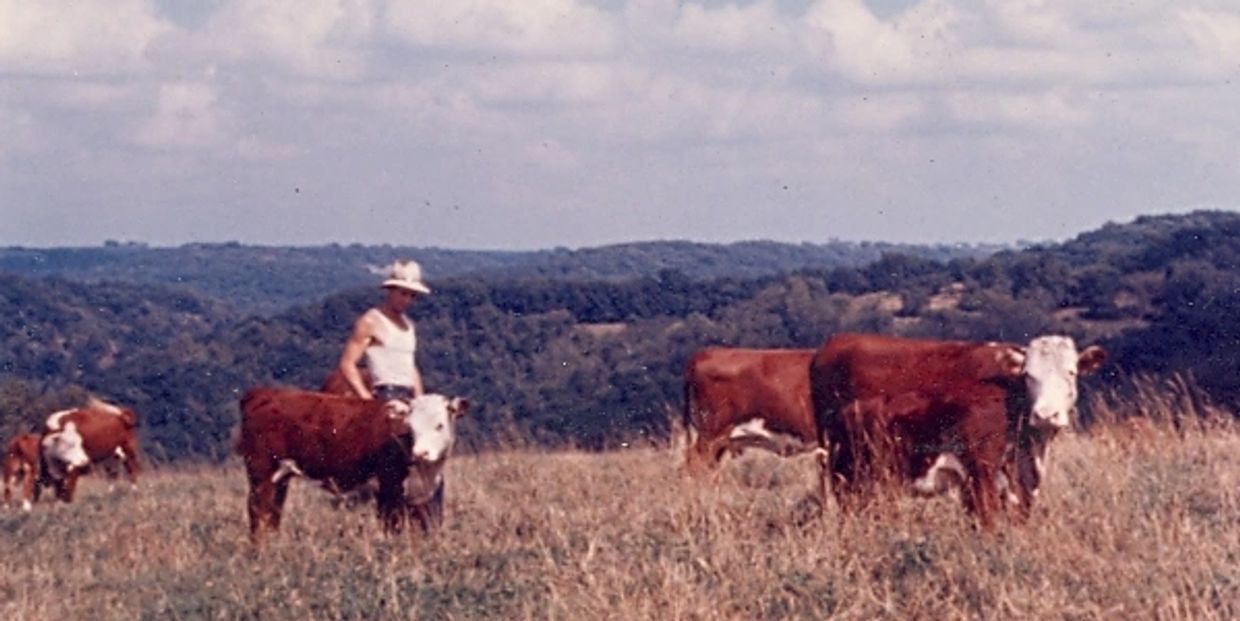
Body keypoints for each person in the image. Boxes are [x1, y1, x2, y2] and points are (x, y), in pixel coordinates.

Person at [337, 259, 430, 402]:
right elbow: (347, 364)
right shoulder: (371, 321)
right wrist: (365, 397)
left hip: (408, 395)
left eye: (412, 295)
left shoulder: (409, 325)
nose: (407, 300)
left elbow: (410, 365)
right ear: (391, 291)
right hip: (384, 395)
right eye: (403, 293)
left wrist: (420, 398)